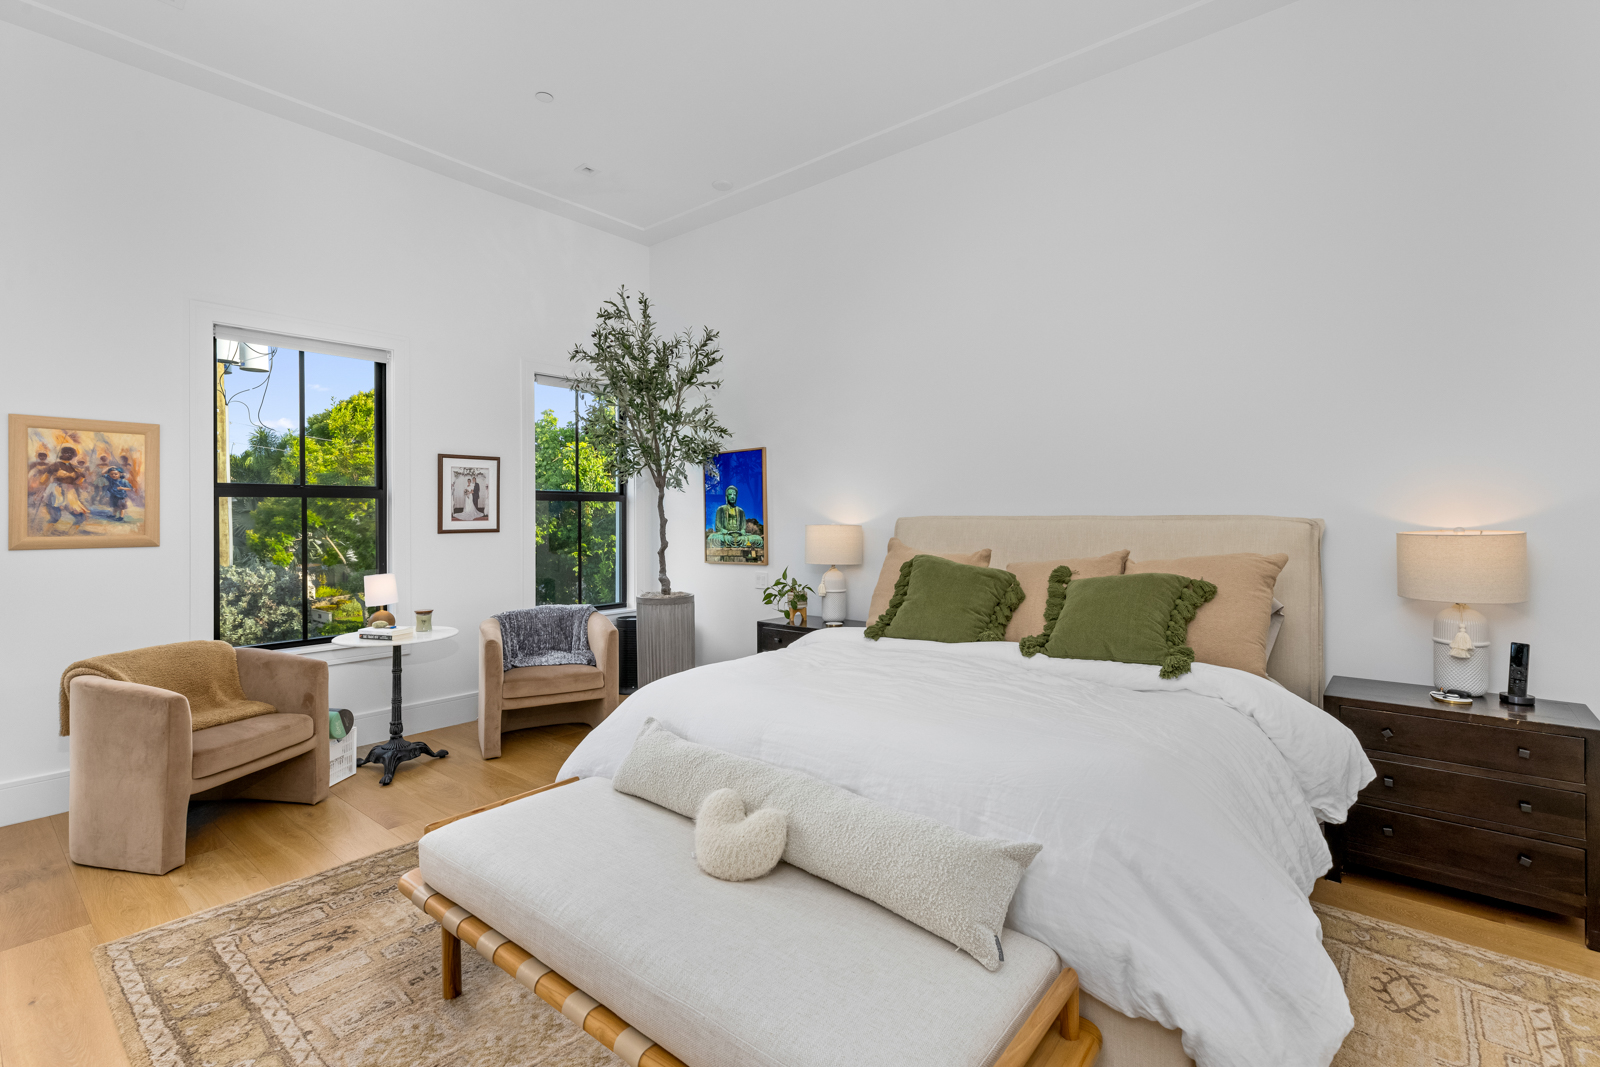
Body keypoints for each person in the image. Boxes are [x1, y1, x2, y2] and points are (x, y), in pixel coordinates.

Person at [42, 446, 91, 529]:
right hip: (55, 491)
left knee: (80, 517)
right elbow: (43, 479)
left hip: (69, 493)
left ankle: (71, 535)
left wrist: (82, 477)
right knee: (55, 517)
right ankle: (45, 534)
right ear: (62, 454)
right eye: (66, 453)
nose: (68, 455)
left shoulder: (73, 468)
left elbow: (77, 483)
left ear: (73, 456)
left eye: (71, 454)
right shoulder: (55, 465)